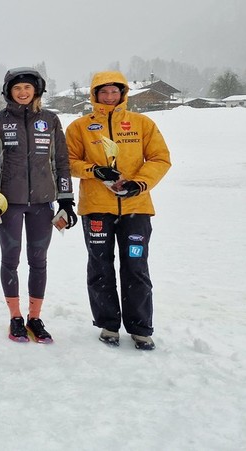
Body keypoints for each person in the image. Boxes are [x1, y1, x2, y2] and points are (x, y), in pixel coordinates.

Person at [65, 71, 171, 350]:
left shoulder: (141, 123)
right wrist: (94, 170)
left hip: (136, 208)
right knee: (100, 267)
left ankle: (140, 327)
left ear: (123, 93)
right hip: (97, 208)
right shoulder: (79, 127)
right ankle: (108, 324)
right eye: (104, 92)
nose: (109, 97)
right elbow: (69, 161)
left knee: (136, 267)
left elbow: (160, 158)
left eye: (114, 92)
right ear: (94, 95)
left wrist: (140, 183)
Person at [0, 67, 76, 344]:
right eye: (17, 88)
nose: (22, 92)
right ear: (9, 91)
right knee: (10, 260)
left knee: (39, 261)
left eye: (27, 88)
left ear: (37, 91)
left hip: (43, 203)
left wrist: (66, 200)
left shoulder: (50, 120)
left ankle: (35, 317)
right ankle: (15, 317)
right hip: (9, 203)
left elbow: (61, 163)